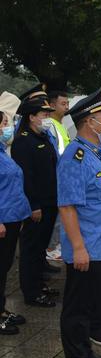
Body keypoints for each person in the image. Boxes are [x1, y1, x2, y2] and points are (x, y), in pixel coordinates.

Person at [57, 88, 101, 358]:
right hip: (88, 249)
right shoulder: (75, 156)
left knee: (94, 304)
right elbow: (67, 206)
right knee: (77, 309)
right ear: (88, 121)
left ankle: (86, 351)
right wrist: (79, 248)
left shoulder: (99, 151)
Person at [11, 84, 58, 308]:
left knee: (40, 249)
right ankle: (31, 292)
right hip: (36, 206)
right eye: (44, 114)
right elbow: (26, 177)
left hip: (50, 202)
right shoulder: (23, 140)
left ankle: (39, 285)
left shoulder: (43, 137)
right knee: (30, 250)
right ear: (31, 117)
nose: (48, 117)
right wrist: (34, 205)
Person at [0, 110, 30, 335]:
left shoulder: (2, 151)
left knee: (4, 267)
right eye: (4, 123)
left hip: (12, 219)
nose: (8, 127)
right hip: (2, 221)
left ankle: (1, 309)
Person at [46, 90, 70, 263]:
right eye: (63, 103)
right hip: (56, 177)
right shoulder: (51, 126)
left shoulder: (61, 125)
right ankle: (51, 248)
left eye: (67, 103)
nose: (67, 107)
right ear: (52, 105)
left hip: (63, 176)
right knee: (56, 217)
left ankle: (55, 245)